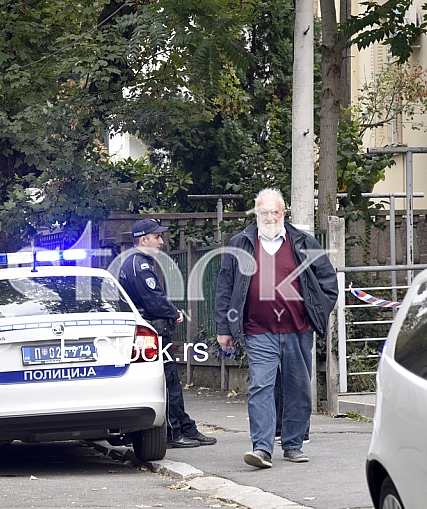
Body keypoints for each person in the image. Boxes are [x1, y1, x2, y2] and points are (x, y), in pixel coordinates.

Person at [214, 189, 338, 468]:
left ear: (284, 213)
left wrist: (315, 315)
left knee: (298, 387)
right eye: (264, 212)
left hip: (298, 329)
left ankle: (293, 444)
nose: (270, 217)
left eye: (275, 212)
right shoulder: (240, 243)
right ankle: (262, 448)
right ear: (256, 214)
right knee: (261, 386)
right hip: (258, 330)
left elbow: (328, 282)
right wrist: (224, 327)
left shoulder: (303, 242)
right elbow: (224, 288)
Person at [119, 218, 216, 450]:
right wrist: (174, 313)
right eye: (157, 237)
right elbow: (153, 300)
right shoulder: (139, 266)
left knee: (172, 381)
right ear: (144, 240)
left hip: (152, 333)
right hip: (153, 333)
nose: (161, 241)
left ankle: (185, 427)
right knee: (168, 382)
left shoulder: (136, 262)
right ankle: (174, 432)